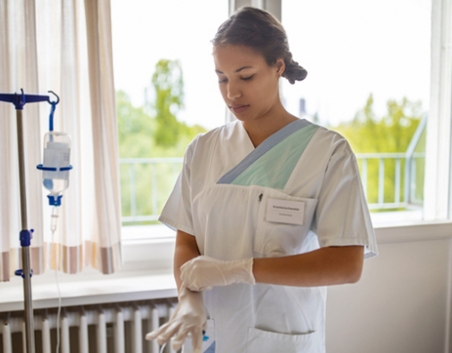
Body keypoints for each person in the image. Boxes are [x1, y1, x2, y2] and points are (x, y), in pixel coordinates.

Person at [146, 6, 378, 353]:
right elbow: (187, 243)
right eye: (222, 78)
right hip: (212, 336)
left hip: (281, 339)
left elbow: (346, 263)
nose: (232, 93)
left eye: (246, 76)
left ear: (278, 67)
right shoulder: (203, 150)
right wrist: (188, 298)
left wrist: (240, 270)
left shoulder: (328, 152)